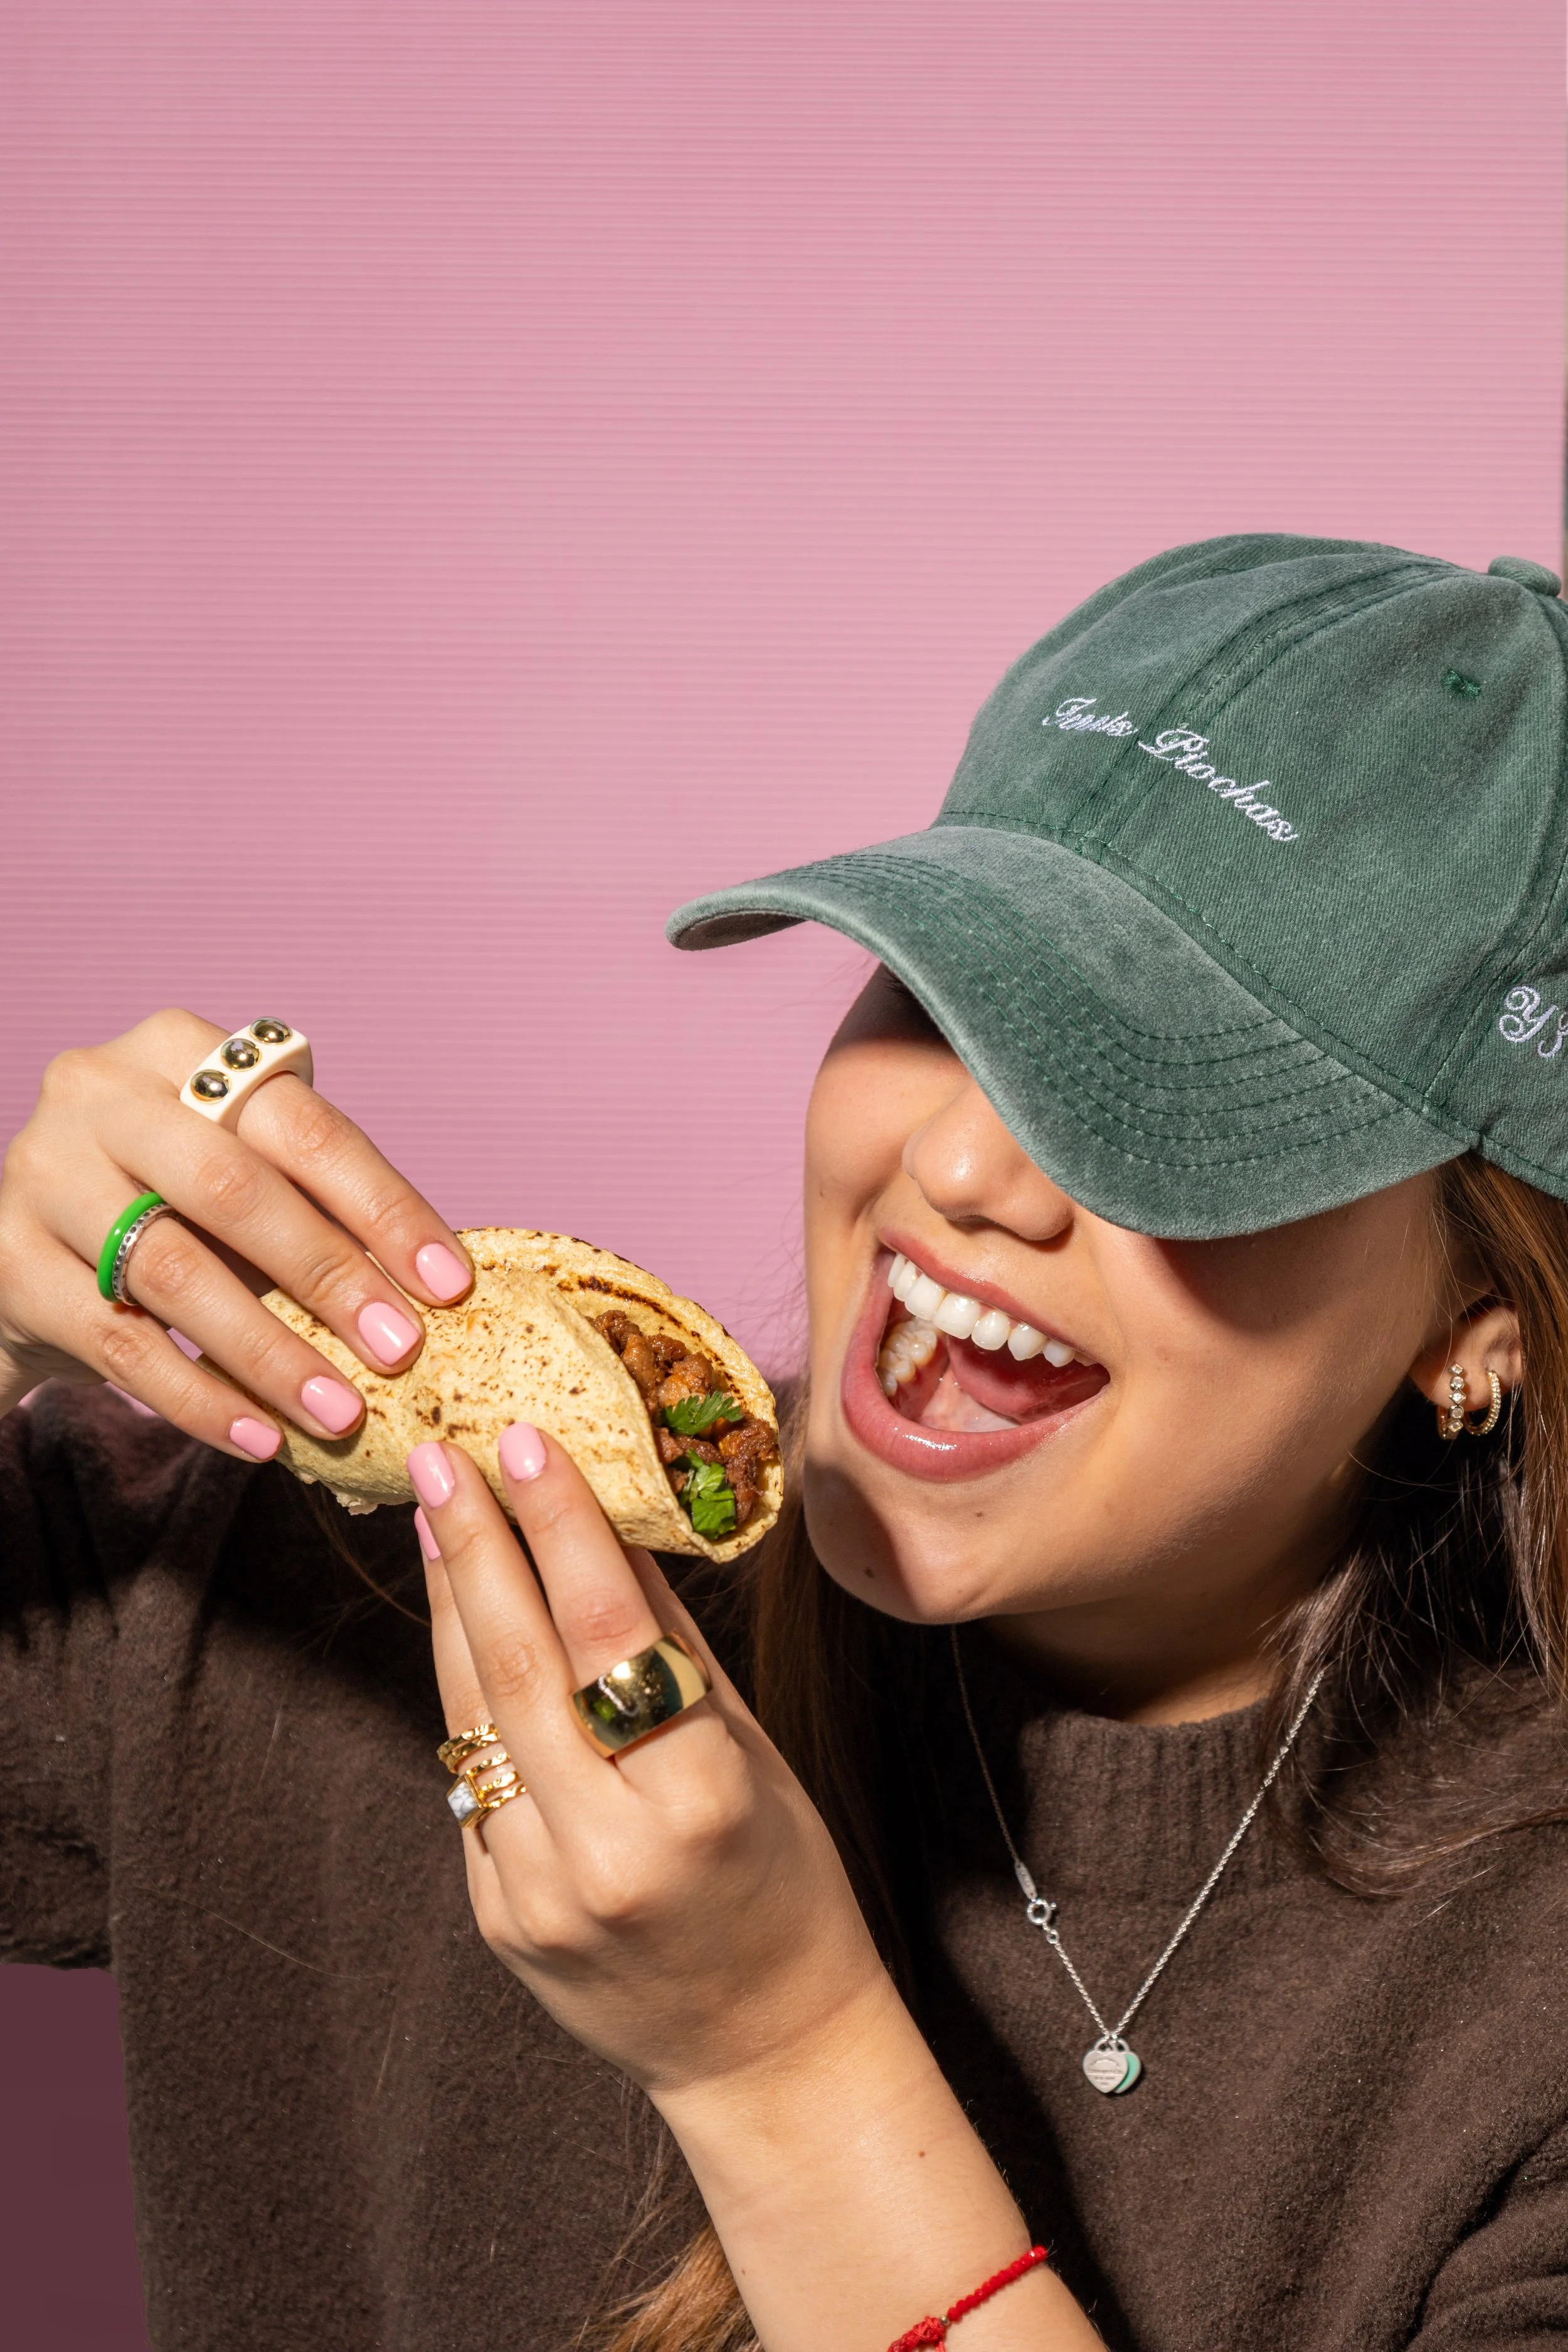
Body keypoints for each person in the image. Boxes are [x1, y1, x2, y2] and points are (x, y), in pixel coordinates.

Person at [4, 532, 1568, 2352]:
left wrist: (773, 2052)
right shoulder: (345, 1567)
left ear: (1479, 1332)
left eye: (1165, 1109)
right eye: (950, 996)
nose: (965, 1170)